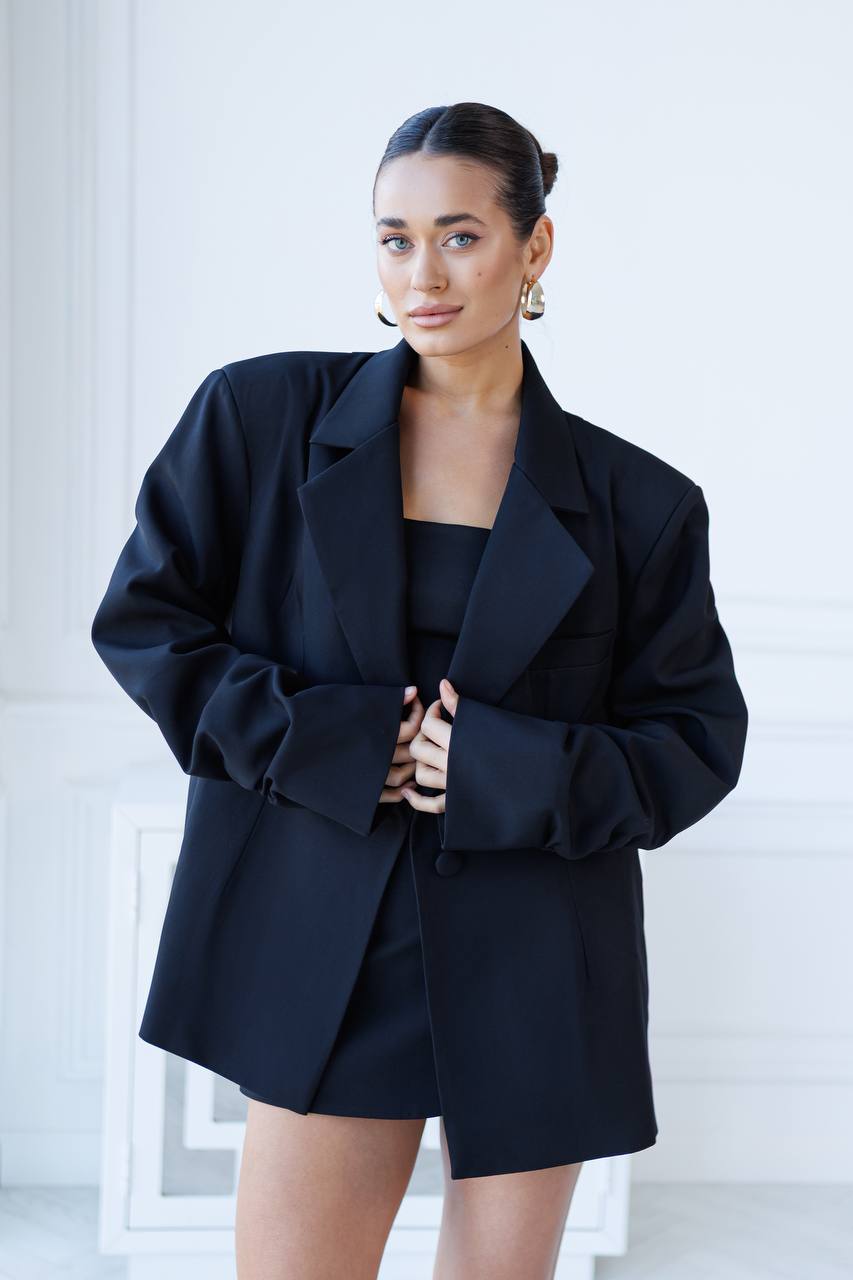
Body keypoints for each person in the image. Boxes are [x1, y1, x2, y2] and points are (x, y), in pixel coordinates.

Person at [91, 101, 748, 1280]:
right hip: (321, 941)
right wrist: (333, 738)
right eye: (393, 239)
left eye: (459, 236)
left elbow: (695, 741)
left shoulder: (641, 500)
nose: (421, 274)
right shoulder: (259, 418)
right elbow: (147, 623)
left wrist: (499, 765)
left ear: (533, 248)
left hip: (535, 947)